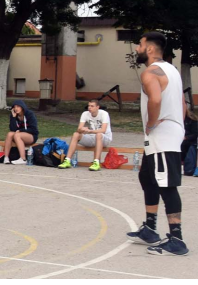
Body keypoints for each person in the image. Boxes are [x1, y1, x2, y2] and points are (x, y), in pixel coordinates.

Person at [125, 32, 189, 256]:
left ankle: (177, 240)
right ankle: (150, 228)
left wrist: (151, 124)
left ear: (150, 49)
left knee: (166, 185)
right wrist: (179, 126)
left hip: (161, 134)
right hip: (167, 133)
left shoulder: (150, 72)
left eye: (140, 44)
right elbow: (182, 101)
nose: (137, 47)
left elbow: (155, 99)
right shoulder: (171, 69)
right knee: (148, 177)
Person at [59, 99, 112, 171]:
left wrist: (90, 131)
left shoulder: (104, 114)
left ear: (97, 107)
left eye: (92, 106)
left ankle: (96, 162)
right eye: (89, 106)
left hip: (105, 138)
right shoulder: (85, 114)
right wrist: (82, 129)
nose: (89, 108)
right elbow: (78, 129)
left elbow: (103, 130)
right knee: (76, 134)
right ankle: (67, 160)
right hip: (92, 138)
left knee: (99, 135)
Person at [3, 99, 39, 165]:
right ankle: (6, 157)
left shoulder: (29, 114)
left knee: (17, 135)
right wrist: (13, 118)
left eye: (18, 106)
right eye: (15, 107)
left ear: (22, 107)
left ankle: (23, 159)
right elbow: (13, 129)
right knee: (9, 134)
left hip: (31, 136)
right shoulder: (14, 115)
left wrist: (21, 130)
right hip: (19, 136)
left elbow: (34, 129)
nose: (16, 108)